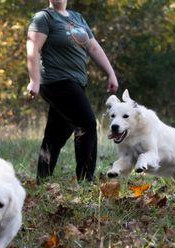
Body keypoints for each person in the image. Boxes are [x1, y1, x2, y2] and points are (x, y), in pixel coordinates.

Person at [27, 0, 118, 182]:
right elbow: (33, 48)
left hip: (76, 82)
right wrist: (34, 80)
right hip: (56, 81)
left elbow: (93, 47)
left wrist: (110, 73)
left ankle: (42, 180)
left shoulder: (77, 17)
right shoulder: (44, 18)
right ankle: (86, 180)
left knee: (56, 134)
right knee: (87, 124)